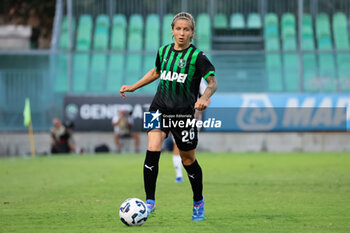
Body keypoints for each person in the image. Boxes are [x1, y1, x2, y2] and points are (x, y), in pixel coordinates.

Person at [120, 12, 218, 221]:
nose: (181, 33)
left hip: (183, 113)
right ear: (172, 30)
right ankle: (149, 202)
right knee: (153, 148)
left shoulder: (197, 57)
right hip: (159, 108)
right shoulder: (163, 51)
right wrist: (133, 87)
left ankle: (198, 200)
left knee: (188, 159)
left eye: (186, 29)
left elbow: (212, 83)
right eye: (178, 29)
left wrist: (205, 98)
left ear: (192, 33)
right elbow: (156, 72)